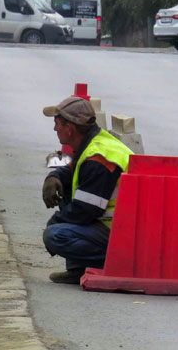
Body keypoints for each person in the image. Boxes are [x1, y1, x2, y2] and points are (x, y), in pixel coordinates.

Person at [40, 96, 133, 285]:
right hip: (113, 224)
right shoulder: (95, 143)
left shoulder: (98, 159)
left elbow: (85, 211)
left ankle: (108, 263)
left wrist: (55, 221)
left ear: (70, 129)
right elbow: (73, 171)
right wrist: (53, 177)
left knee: (55, 236)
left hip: (121, 231)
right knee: (64, 186)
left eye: (56, 123)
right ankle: (78, 269)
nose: (54, 128)